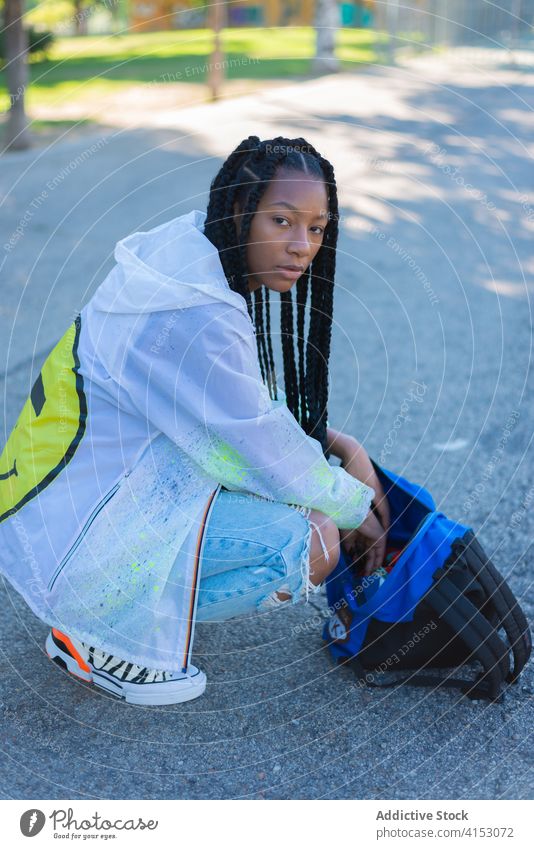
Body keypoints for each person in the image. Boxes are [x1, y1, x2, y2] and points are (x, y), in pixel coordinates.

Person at [0, 135, 390, 706]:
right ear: (240, 209)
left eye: (316, 228)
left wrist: (341, 445)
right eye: (281, 220)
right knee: (313, 541)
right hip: (82, 537)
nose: (302, 245)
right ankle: (101, 637)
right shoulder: (194, 313)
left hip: (66, 507)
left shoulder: (189, 250)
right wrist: (354, 507)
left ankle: (109, 607)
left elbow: (244, 413)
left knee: (299, 494)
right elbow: (262, 447)